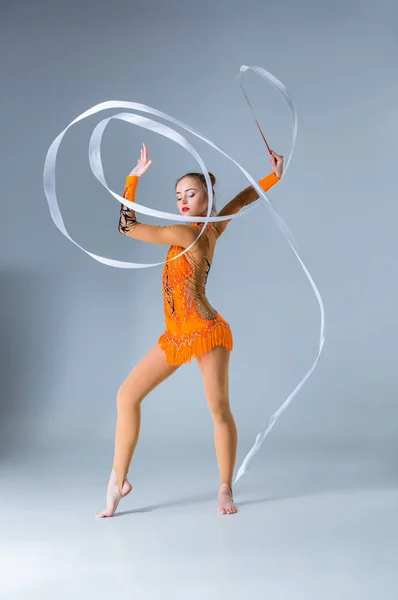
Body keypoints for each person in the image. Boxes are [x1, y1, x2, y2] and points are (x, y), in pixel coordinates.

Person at [95, 143, 284, 517]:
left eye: (191, 194)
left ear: (205, 197)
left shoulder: (186, 234)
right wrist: (274, 176)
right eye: (178, 195)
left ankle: (225, 489)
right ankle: (118, 481)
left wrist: (132, 179)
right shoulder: (213, 229)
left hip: (205, 330)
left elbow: (126, 226)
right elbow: (243, 199)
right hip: (177, 335)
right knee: (127, 395)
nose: (182, 200)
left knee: (218, 409)